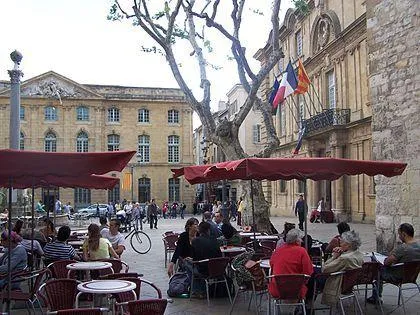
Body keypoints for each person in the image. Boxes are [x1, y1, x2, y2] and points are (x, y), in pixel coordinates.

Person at [367, 223, 420, 304]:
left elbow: (386, 262)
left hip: (396, 275)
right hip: (411, 276)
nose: (399, 237)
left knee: (376, 267)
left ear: (404, 234)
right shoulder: (418, 246)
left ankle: (376, 297)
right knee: (383, 254)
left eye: (399, 234)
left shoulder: (403, 248)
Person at [317, 230, 364, 306]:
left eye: (342, 241)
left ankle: (308, 305)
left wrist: (334, 257)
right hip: (349, 283)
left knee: (311, 276)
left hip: (338, 283)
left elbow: (324, 269)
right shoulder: (359, 254)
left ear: (348, 245)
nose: (340, 242)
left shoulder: (345, 258)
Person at [269, 229, 313, 303]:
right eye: (300, 239)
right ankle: (308, 307)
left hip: (277, 290)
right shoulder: (301, 251)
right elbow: (308, 271)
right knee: (312, 281)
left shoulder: (277, 251)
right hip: (296, 290)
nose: (302, 241)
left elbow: (272, 265)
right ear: (297, 240)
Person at [187, 221, 222, 297]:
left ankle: (196, 290)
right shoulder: (214, 240)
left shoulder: (195, 241)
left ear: (199, 230)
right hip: (217, 270)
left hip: (203, 270)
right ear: (209, 230)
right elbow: (219, 254)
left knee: (186, 263)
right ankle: (200, 289)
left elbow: (194, 257)